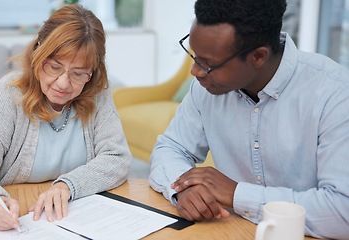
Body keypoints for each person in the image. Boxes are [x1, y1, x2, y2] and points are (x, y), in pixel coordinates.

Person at [149, 0, 349, 239]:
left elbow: (341, 211)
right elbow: (170, 147)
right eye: (194, 56)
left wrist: (237, 195)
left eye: (208, 64)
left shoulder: (335, 94)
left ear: (258, 57)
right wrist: (183, 190)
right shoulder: (206, 89)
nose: (195, 71)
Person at [0, 4, 131, 231]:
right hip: (22, 220)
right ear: (38, 53)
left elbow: (117, 158)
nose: (63, 83)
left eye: (78, 73)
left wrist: (68, 185)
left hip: (77, 219)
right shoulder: (10, 92)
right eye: (54, 66)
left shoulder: (97, 93)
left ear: (93, 73)